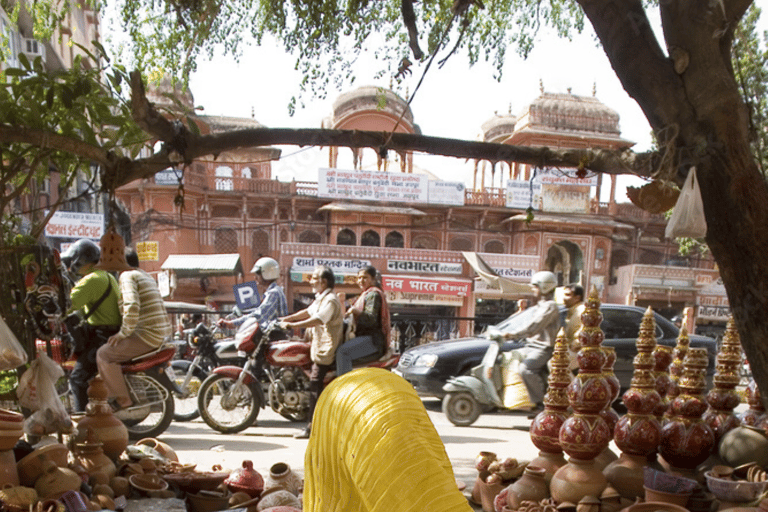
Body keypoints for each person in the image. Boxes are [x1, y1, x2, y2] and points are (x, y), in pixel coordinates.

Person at [97, 248, 172, 410]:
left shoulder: (127, 276)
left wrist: (123, 333)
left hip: (147, 335)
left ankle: (123, 400)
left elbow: (131, 305)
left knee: (104, 354)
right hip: (160, 334)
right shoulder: (144, 275)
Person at [278, 266, 343, 439]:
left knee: (315, 384)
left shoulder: (330, 300)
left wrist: (293, 325)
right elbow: (308, 311)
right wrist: (287, 318)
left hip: (326, 349)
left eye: (314, 278)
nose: (311, 281)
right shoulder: (321, 298)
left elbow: (318, 318)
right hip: (318, 345)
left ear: (323, 281)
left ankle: (311, 427)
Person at [63, 239, 122, 413]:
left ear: (79, 260)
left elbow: (66, 305)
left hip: (101, 337)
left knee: (78, 379)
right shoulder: (107, 277)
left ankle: (82, 420)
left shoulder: (91, 280)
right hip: (109, 332)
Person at [502, 270, 561, 417]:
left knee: (525, 369)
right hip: (530, 346)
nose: (533, 289)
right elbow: (526, 322)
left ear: (545, 287)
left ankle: (542, 404)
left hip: (544, 347)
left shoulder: (550, 306)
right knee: (507, 359)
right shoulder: (540, 305)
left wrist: (512, 334)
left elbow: (534, 326)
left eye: (536, 286)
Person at [335, 266, 391, 375]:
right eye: (359, 278)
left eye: (365, 277)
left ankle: (343, 387)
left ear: (373, 279)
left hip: (373, 341)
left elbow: (371, 319)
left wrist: (355, 311)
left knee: (342, 352)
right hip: (366, 338)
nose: (361, 280)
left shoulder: (373, 294)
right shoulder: (365, 294)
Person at [218, 257, 287, 332]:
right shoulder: (276, 290)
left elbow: (259, 316)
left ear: (266, 273)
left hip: (273, 336)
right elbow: (261, 310)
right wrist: (244, 312)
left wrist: (231, 323)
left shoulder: (274, 293)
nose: (255, 277)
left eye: (257, 274)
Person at [562, 283, 585, 372]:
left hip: (578, 353)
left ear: (577, 298)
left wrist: (574, 346)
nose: (564, 298)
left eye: (568, 295)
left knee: (555, 366)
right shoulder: (572, 311)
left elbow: (585, 331)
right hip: (571, 351)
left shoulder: (582, 310)